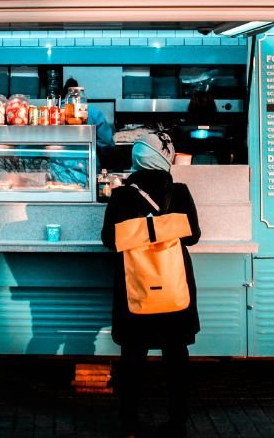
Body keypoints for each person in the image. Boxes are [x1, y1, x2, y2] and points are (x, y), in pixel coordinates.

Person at [102, 136, 201, 437]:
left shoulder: (121, 195)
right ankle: (178, 423)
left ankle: (129, 423)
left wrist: (140, 231)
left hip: (136, 287)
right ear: (163, 158)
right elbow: (193, 235)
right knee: (176, 357)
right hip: (174, 285)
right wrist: (164, 229)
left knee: (132, 357)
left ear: (137, 159)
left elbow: (109, 239)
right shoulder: (179, 191)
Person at [63, 77, 115, 168]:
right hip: (87, 166)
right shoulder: (94, 113)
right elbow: (106, 142)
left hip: (58, 166)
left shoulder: (53, 113)